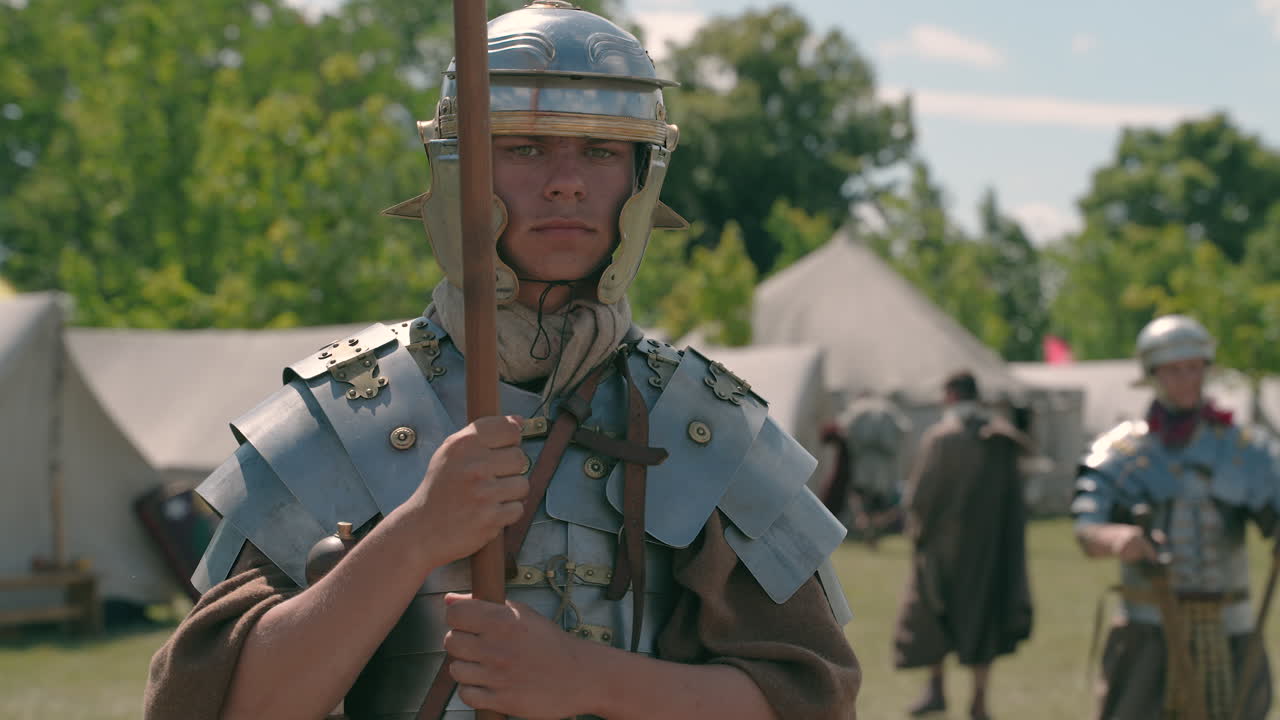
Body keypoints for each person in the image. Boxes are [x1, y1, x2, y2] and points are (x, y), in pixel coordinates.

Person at [143, 3, 859, 720]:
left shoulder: (707, 423)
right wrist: (415, 534)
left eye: (602, 151)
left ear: (642, 178)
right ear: (459, 170)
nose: (566, 181)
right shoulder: (345, 411)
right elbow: (213, 708)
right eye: (523, 147)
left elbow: (813, 701)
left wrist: (589, 679)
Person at [1072, 314, 1279, 720]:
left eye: (1194, 368)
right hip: (1149, 628)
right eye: (1174, 370)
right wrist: (1117, 538)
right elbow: (1087, 527)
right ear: (1153, 375)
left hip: (1229, 626)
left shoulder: (1245, 449)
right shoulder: (1121, 453)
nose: (1186, 379)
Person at [892, 370, 1033, 720]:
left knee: (934, 617)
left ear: (952, 396)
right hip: (988, 553)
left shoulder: (942, 438)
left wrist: (915, 529)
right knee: (981, 621)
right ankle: (976, 698)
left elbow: (919, 497)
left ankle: (938, 689)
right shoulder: (1001, 439)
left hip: (941, 551)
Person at [820, 392, 910, 546]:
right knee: (874, 502)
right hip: (882, 466)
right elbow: (903, 430)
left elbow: (843, 428)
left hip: (862, 464)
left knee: (862, 501)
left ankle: (868, 531)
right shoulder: (888, 410)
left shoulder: (858, 409)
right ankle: (870, 533)